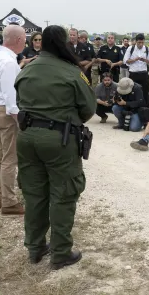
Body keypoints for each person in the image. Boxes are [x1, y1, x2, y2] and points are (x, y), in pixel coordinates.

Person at [14, 25, 95, 269]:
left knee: (34, 194)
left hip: (26, 137)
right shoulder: (71, 71)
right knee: (63, 193)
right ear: (63, 43)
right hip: (58, 140)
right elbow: (88, 109)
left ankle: (35, 248)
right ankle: (60, 252)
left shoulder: (27, 69)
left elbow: (20, 101)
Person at [0, 25, 26, 216]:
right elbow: (11, 99)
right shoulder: (9, 63)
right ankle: (9, 202)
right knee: (9, 159)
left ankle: (0, 197)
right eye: (25, 39)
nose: (25, 42)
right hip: (5, 112)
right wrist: (20, 121)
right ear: (18, 40)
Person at [123, 33, 149, 107]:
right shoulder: (130, 49)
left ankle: (145, 110)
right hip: (133, 74)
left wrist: (144, 60)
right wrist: (134, 60)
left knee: (145, 93)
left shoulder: (147, 49)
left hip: (144, 74)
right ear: (136, 41)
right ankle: (133, 109)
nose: (141, 44)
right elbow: (125, 61)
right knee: (132, 92)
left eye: (142, 42)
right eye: (139, 42)